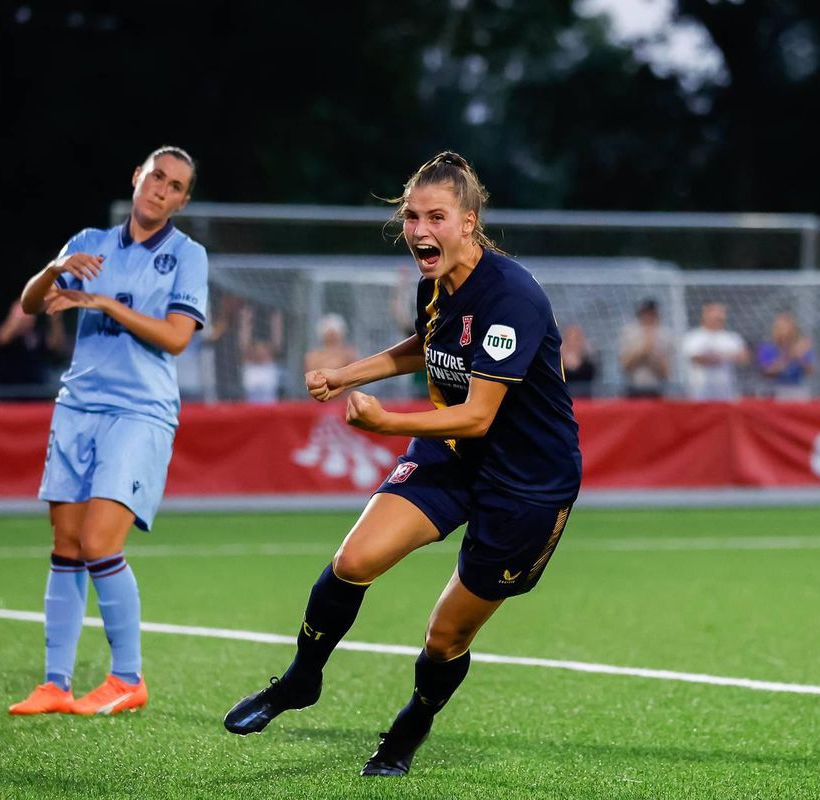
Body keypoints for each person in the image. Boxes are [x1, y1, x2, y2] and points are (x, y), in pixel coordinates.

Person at [223, 152, 582, 778]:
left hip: (527, 485)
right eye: (411, 216)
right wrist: (346, 374)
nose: (419, 230)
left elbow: (477, 415)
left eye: (435, 217)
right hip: (451, 455)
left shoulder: (515, 296)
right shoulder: (434, 286)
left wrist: (387, 421)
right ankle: (301, 681)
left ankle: (411, 725)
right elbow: (428, 345)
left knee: (445, 638)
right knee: (353, 562)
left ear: (469, 221)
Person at [7, 145, 208, 717]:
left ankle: (127, 678)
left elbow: (175, 338)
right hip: (77, 406)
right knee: (65, 547)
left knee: (99, 543)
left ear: (182, 200)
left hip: (139, 411)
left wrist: (102, 303)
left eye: (174, 186)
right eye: (156, 177)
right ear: (137, 177)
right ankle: (55, 684)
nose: (161, 190)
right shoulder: (89, 241)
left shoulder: (187, 256)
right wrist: (53, 270)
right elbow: (30, 304)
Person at [680, 302, 749, 400]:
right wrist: (726, 356)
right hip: (700, 390)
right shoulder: (694, 337)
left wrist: (716, 356)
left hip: (725, 390)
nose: (718, 318)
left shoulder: (732, 338)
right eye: (715, 314)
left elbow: (744, 358)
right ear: (705, 315)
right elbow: (696, 358)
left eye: (721, 315)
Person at [0, 300, 68, 387]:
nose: (28, 316)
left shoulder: (37, 333)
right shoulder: (8, 335)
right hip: (8, 392)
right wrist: (16, 318)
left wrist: (56, 320)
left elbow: (56, 347)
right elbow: (2, 339)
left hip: (36, 391)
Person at [617, 299, 671, 398]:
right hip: (633, 388)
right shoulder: (629, 333)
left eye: (652, 314)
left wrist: (651, 355)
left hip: (656, 389)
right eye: (645, 313)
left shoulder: (665, 335)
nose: (648, 317)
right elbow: (625, 364)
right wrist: (644, 350)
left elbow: (666, 372)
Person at [756, 312, 815, 400]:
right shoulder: (767, 347)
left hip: (797, 389)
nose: (782, 331)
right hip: (773, 390)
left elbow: (810, 371)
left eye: (786, 327)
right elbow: (767, 372)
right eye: (779, 327)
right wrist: (790, 356)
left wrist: (801, 357)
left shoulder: (800, 347)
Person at [559, 323, 598, 398]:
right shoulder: (557, 364)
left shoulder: (589, 363)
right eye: (570, 339)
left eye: (576, 339)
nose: (573, 343)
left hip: (584, 401)